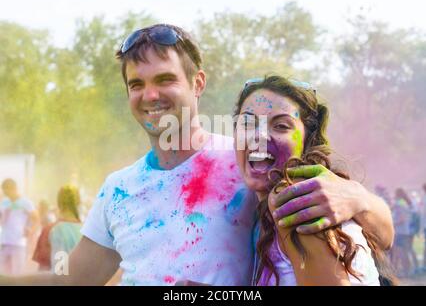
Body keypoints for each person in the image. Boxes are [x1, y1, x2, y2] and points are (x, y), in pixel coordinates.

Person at [0, 24, 393, 286]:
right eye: (136, 84)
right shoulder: (117, 190)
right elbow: (72, 279)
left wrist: (358, 197)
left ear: (197, 83)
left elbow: (379, 232)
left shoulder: (251, 164)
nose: (150, 95)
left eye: (165, 79)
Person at [232, 75, 396, 285]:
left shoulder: (296, 200)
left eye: (281, 126)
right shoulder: (265, 203)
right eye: (247, 123)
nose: (259, 135)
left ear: (308, 140)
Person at [32, 185, 82, 272]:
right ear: (78, 202)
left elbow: (44, 269)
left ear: (58, 203)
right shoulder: (88, 232)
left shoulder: (49, 230)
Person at [0, 179, 39, 275]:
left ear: (13, 189)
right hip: (4, 242)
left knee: (17, 274)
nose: (5, 193)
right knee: (3, 273)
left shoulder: (26, 202)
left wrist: (31, 230)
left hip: (19, 243)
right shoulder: (4, 202)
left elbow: (36, 219)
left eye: (6, 191)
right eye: (3, 191)